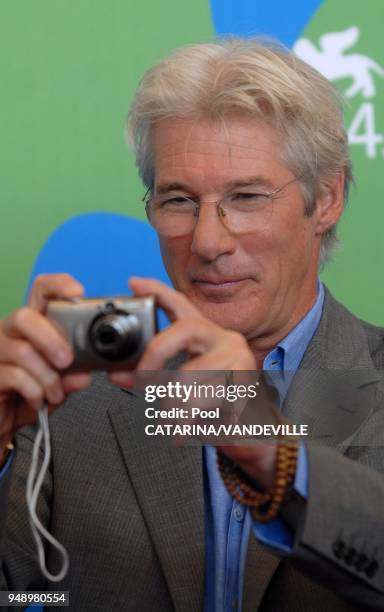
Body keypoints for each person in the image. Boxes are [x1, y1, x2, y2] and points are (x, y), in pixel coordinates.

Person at [0, 38, 383, 611]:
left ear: (325, 199)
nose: (206, 241)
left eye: (247, 197)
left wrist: (273, 455)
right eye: (178, 200)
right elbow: (15, 593)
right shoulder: (74, 394)